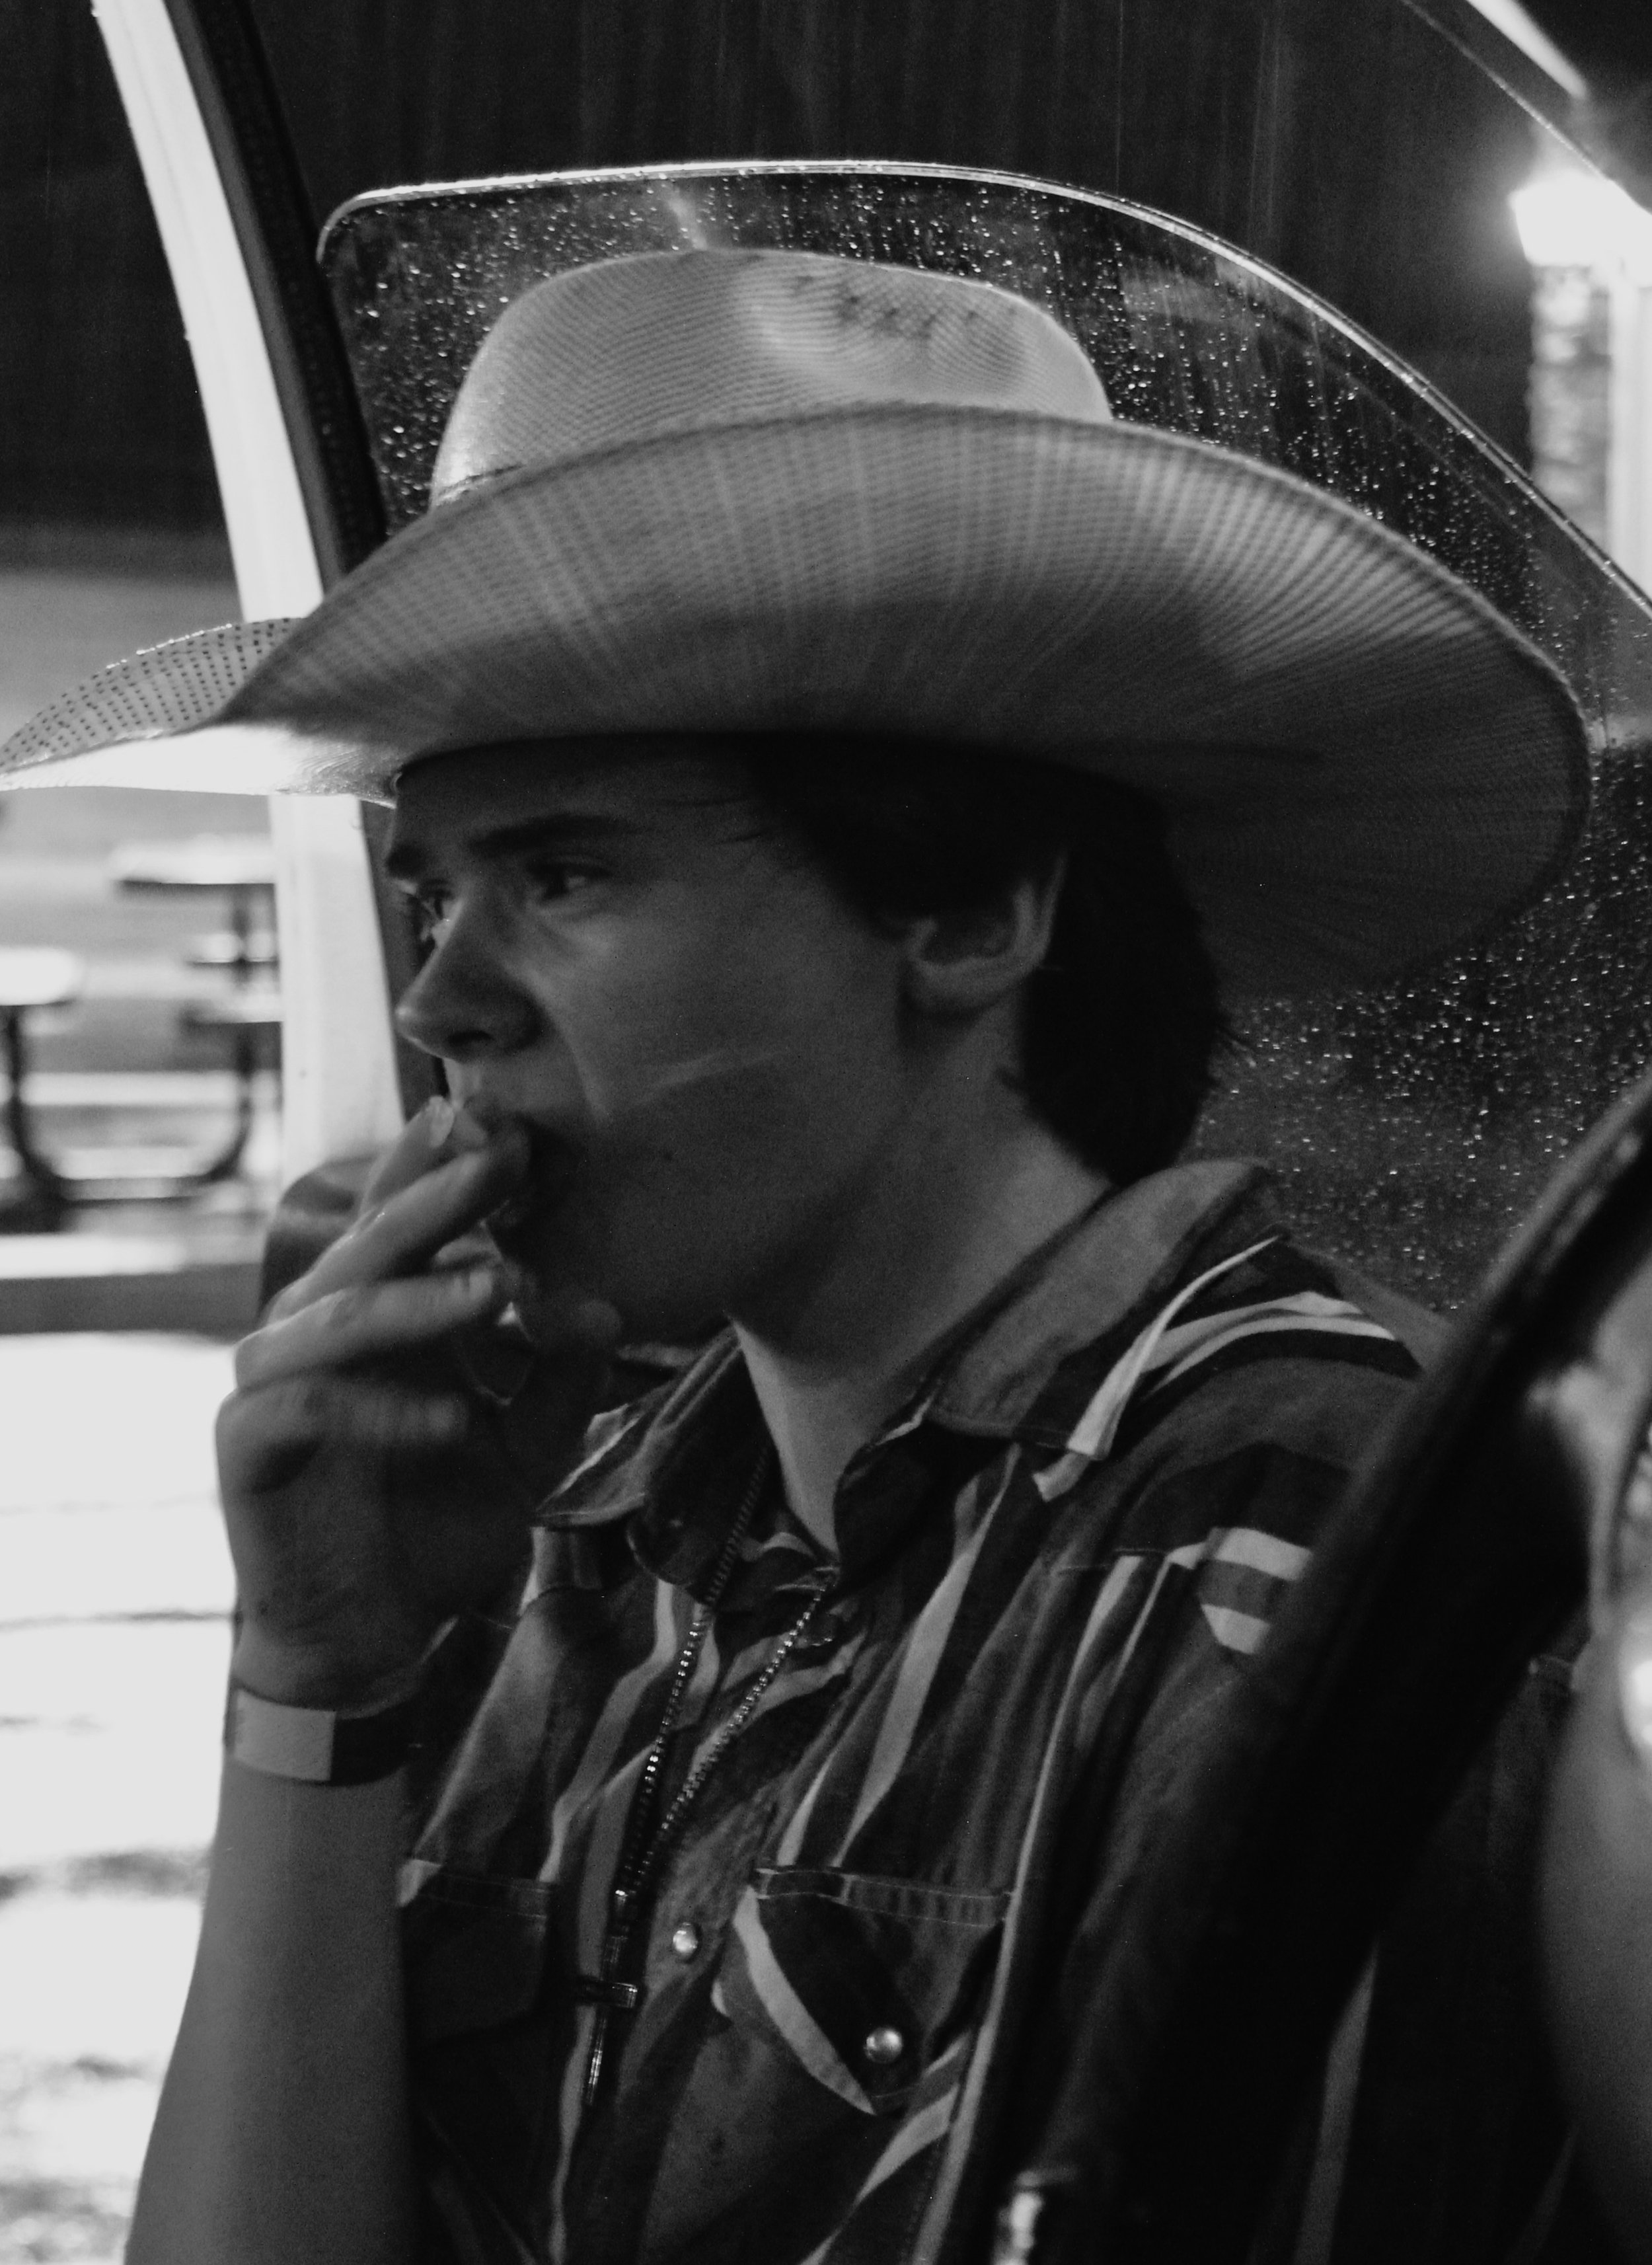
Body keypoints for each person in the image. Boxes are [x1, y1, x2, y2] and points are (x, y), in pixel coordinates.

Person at [0, 247, 1593, 2263]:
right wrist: (317, 1680)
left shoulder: (1274, 1556)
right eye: (432, 895)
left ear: (970, 913)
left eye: (564, 873)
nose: (439, 1004)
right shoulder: (607, 1534)